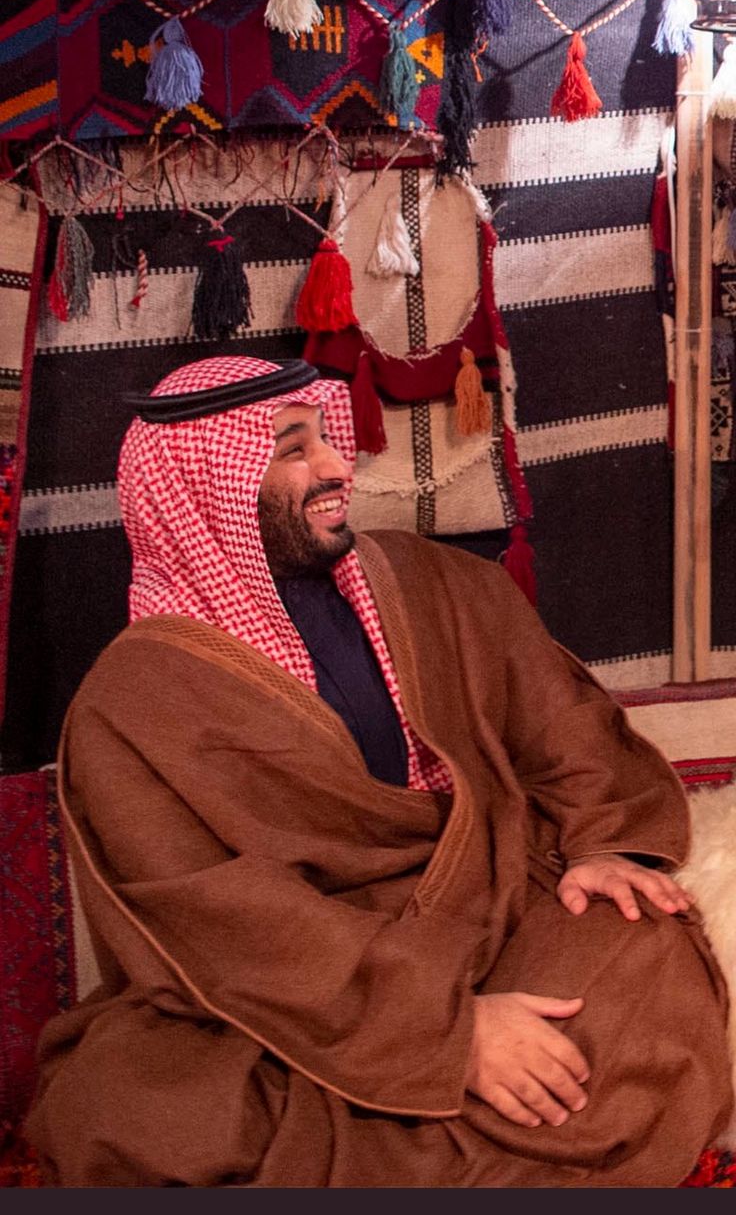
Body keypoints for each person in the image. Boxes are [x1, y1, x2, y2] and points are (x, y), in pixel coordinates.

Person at [26, 354, 732, 1189]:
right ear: (202, 494)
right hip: (292, 988)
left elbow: (558, 719)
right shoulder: (131, 705)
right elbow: (218, 924)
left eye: (326, 438)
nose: (337, 467)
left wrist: (602, 844)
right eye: (294, 450)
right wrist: (448, 1033)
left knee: (643, 957)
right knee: (124, 1109)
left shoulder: (432, 582)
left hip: (487, 901)